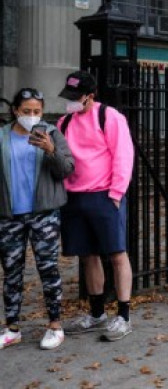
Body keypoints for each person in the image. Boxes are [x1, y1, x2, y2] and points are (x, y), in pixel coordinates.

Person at [56, 71, 135, 342]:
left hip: (104, 195)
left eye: (76, 98)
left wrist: (116, 194)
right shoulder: (64, 122)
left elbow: (123, 156)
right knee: (87, 256)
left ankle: (123, 315)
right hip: (74, 196)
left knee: (116, 254)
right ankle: (97, 312)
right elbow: (61, 158)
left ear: (90, 97)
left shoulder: (110, 117)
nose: (71, 103)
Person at [0, 88, 74, 350]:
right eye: (26, 111)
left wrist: (51, 150)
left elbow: (67, 168)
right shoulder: (2, 136)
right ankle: (12, 328)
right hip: (9, 216)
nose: (32, 116)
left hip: (44, 214)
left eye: (37, 111)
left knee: (48, 269)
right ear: (15, 111)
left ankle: (55, 326)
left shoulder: (51, 133)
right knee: (11, 272)